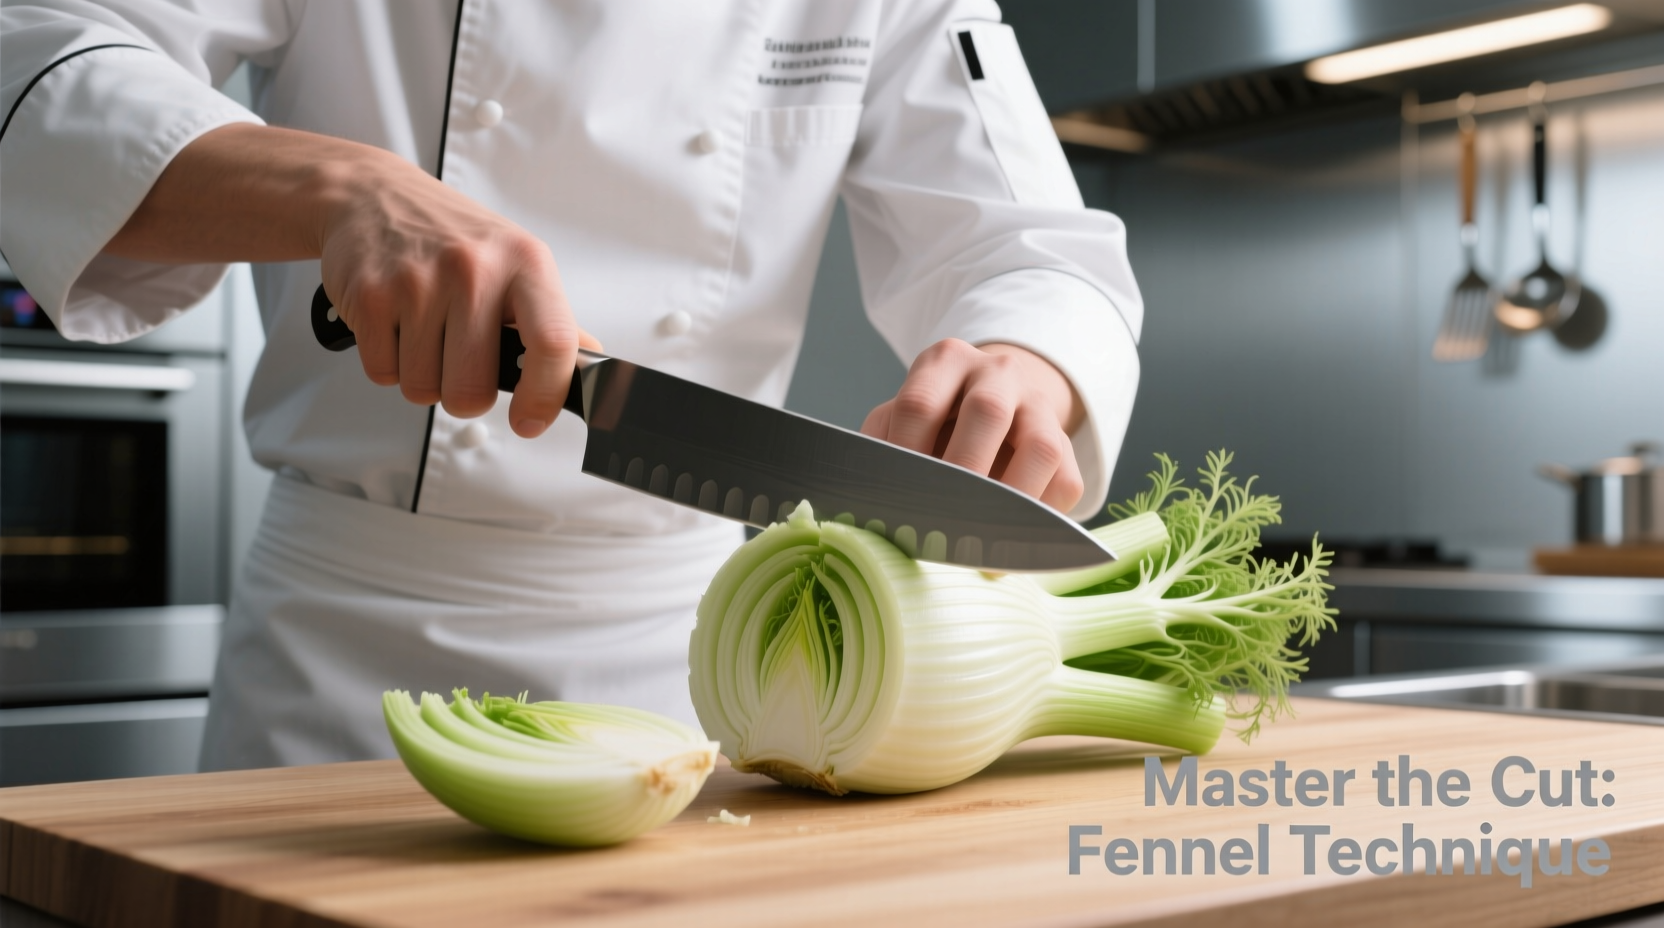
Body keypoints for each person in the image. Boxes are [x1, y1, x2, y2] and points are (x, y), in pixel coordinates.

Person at [0, 0, 1144, 770]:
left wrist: (1025, 362)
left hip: (693, 673)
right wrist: (341, 187)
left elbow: (1030, 245)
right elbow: (41, 50)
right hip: (342, 665)